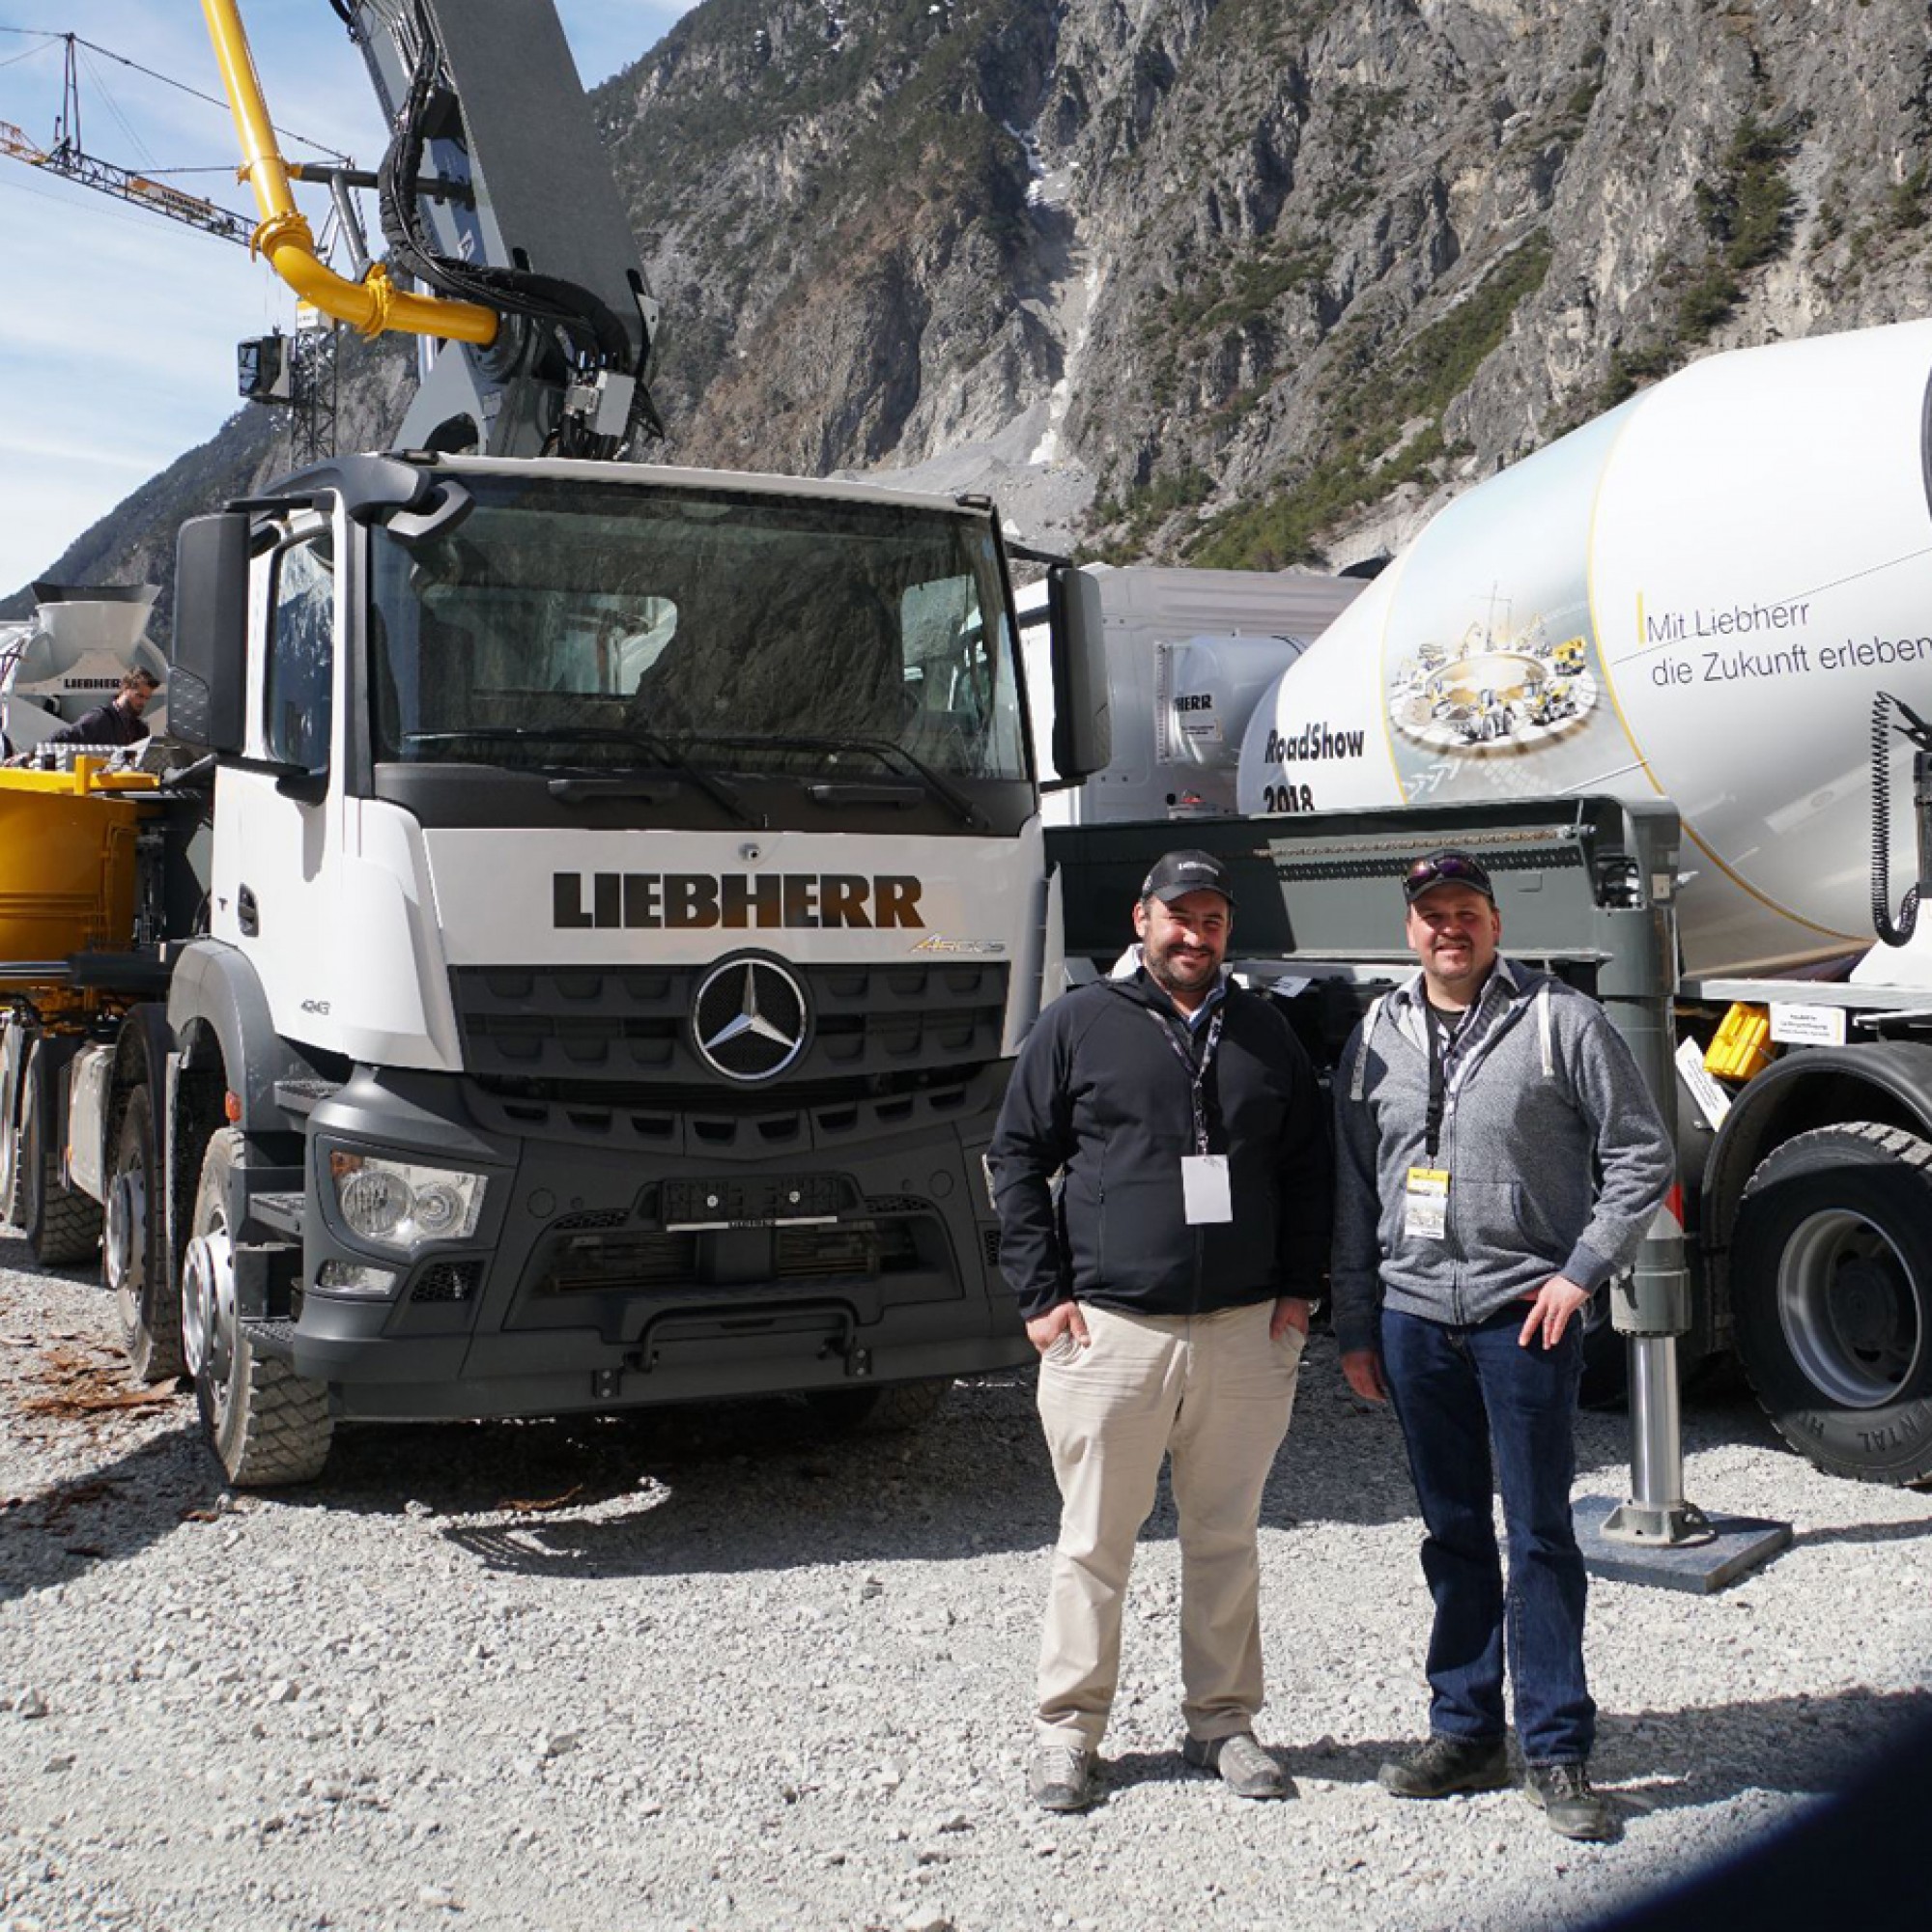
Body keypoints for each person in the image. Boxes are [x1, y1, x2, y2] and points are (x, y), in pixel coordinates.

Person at [1331, 848, 1673, 1844]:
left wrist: (1580, 1271)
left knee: (1536, 1532)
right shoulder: (1374, 1033)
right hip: (1411, 1315)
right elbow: (1357, 1185)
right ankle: (1465, 1728)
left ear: (1492, 922)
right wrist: (1356, 1321)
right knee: (1448, 1530)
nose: (1449, 926)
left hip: (1522, 1314)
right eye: (1431, 912)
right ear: (1409, 930)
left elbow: (1639, 1151)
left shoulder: (1559, 1020)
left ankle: (1556, 1744)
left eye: (1465, 910)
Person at [989, 848, 1331, 1813]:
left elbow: (1308, 1170)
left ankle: (1221, 1721)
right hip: (1108, 1334)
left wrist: (1298, 1294)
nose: (1194, 934)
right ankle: (1067, 1735)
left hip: (1240, 1331)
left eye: (1212, 918)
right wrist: (1039, 1296)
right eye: (1177, 915)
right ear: (1141, 919)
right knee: (1093, 1540)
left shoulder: (1264, 1031)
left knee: (1223, 1537)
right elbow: (1014, 1155)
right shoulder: (1079, 1024)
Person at [45, 668, 158, 749]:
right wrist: (33, 755)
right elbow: (63, 737)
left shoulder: (141, 730)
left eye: (147, 698)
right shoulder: (100, 718)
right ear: (125, 688)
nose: (143, 702)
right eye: (139, 696)